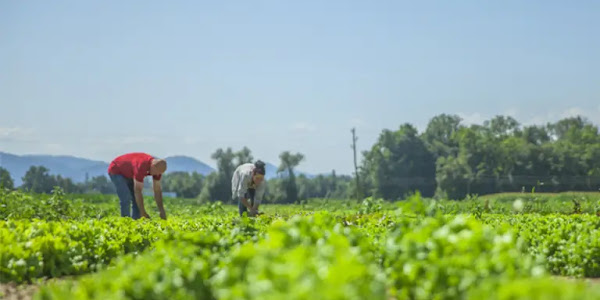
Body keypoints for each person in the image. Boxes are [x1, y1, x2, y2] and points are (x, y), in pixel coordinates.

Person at [107, 152, 167, 220]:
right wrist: (143, 212)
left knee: (136, 200)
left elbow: (157, 190)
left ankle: (136, 221)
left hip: (129, 173)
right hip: (116, 170)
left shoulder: (157, 170)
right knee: (126, 197)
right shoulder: (141, 166)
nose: (157, 174)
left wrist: (162, 210)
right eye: (156, 172)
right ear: (152, 166)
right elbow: (138, 191)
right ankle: (125, 221)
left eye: (159, 173)